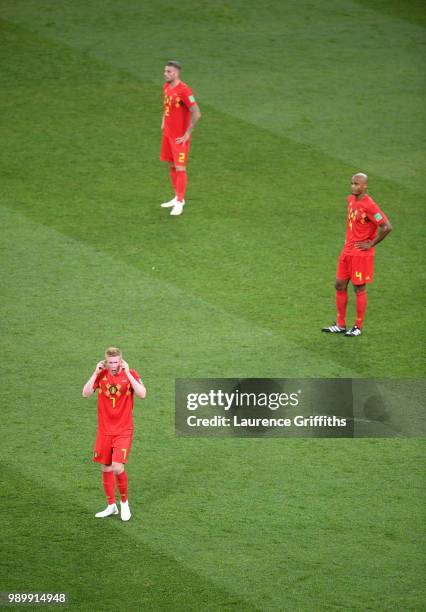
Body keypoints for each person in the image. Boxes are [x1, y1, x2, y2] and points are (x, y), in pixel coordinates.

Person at [322, 173, 392, 336]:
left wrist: (371, 243)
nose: (353, 186)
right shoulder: (351, 200)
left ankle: (358, 326)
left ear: (365, 186)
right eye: (352, 183)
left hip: (361, 253)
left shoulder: (370, 206)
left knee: (359, 288)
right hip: (347, 250)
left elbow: (386, 226)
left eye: (357, 184)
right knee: (339, 284)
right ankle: (340, 324)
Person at [82, 347, 146, 521]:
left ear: (121, 361)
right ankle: (111, 506)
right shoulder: (101, 374)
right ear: (106, 361)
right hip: (104, 430)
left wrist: (128, 373)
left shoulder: (130, 373)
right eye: (110, 362)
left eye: (116, 362)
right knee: (105, 467)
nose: (112, 366)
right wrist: (95, 373)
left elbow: (142, 394)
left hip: (123, 430)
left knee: (117, 467)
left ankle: (124, 504)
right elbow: (85, 393)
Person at [160, 60, 201, 216]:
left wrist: (187, 134)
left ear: (176, 73)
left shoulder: (185, 90)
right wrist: (164, 119)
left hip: (179, 138)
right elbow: (167, 106)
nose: (165, 74)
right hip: (168, 134)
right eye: (165, 71)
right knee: (171, 165)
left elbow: (197, 113)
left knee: (180, 168)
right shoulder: (166, 88)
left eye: (168, 72)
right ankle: (177, 196)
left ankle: (179, 202)